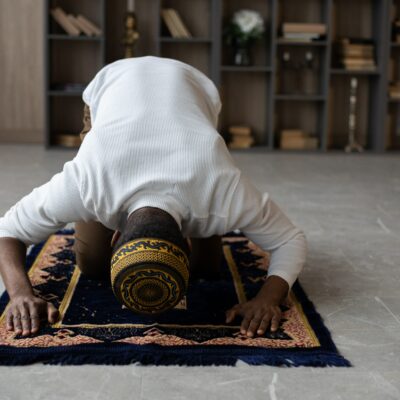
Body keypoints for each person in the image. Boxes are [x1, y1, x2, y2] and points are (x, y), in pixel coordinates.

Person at [0, 56, 307, 338]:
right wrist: (20, 294)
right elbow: (6, 232)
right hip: (111, 87)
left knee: (207, 267)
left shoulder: (222, 186)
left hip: (193, 91)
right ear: (113, 234)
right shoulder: (86, 181)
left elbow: (290, 239)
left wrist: (268, 299)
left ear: (115, 235)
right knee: (94, 264)